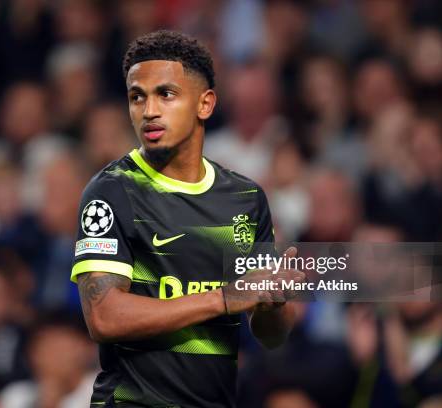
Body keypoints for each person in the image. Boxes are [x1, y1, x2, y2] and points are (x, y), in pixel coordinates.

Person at [71, 30, 304, 408]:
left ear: (205, 104)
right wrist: (223, 298)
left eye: (165, 94)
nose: (148, 111)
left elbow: (272, 336)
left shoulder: (246, 199)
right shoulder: (111, 191)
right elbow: (104, 317)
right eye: (137, 97)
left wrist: (272, 303)